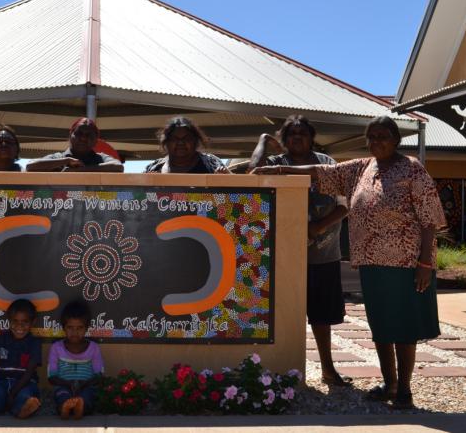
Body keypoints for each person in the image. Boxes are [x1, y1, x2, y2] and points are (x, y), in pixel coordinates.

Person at [252, 115, 446, 409]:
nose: (377, 141)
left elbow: (430, 219)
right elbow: (321, 172)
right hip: (370, 263)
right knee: (381, 326)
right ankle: (389, 383)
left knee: (404, 328)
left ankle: (404, 389)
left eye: (383, 136)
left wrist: (425, 264)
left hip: (405, 264)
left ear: (395, 139)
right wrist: (280, 168)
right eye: (372, 137)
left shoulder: (412, 169)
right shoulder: (362, 168)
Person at [249, 115, 351, 387]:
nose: (297, 138)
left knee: (321, 317)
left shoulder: (326, 164)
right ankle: (280, 371)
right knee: (280, 317)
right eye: (291, 134)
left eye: (302, 133)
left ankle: (328, 369)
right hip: (281, 258)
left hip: (322, 255)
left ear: (311, 137)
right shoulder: (275, 164)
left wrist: (319, 226)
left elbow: (345, 203)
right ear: (283, 139)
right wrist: (262, 141)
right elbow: (253, 173)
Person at [48, 301, 104, 420]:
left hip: (86, 386)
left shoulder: (94, 348)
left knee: (88, 397)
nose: (74, 332)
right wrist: (68, 384)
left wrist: (83, 384)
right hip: (64, 386)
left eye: (79, 328)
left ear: (86, 328)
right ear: (64, 327)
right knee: (62, 396)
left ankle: (80, 407)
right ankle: (65, 408)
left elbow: (99, 376)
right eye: (70, 328)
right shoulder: (56, 348)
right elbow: (51, 377)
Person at [25, 118, 123, 172]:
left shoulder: (100, 158)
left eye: (89, 135)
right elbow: (30, 166)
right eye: (79, 133)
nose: (83, 138)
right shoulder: (58, 158)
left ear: (95, 141)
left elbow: (118, 166)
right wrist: (65, 161)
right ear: (70, 135)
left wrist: (81, 170)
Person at [144, 117, 229, 173]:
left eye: (186, 138)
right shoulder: (154, 168)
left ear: (195, 141)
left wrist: (227, 177)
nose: (180, 143)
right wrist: (147, 183)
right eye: (175, 139)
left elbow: (238, 189)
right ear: (166, 142)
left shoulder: (211, 164)